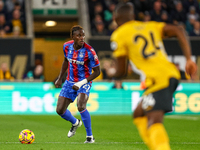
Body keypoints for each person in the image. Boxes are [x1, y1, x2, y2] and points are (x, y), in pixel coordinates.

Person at [110, 3, 197, 150]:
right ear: (132, 16)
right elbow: (178, 29)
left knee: (154, 121)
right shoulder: (150, 26)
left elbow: (121, 71)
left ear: (115, 18)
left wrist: (111, 72)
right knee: (139, 114)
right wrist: (188, 58)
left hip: (159, 79)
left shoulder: (119, 35)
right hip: (167, 74)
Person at [55, 25, 100, 143]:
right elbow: (66, 61)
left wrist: (82, 83)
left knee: (81, 106)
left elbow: (98, 72)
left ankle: (90, 137)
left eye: (83, 35)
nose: (82, 38)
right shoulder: (66, 46)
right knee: (60, 110)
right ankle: (75, 123)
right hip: (69, 81)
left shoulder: (89, 51)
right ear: (72, 37)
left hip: (84, 81)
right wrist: (60, 78)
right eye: (79, 35)